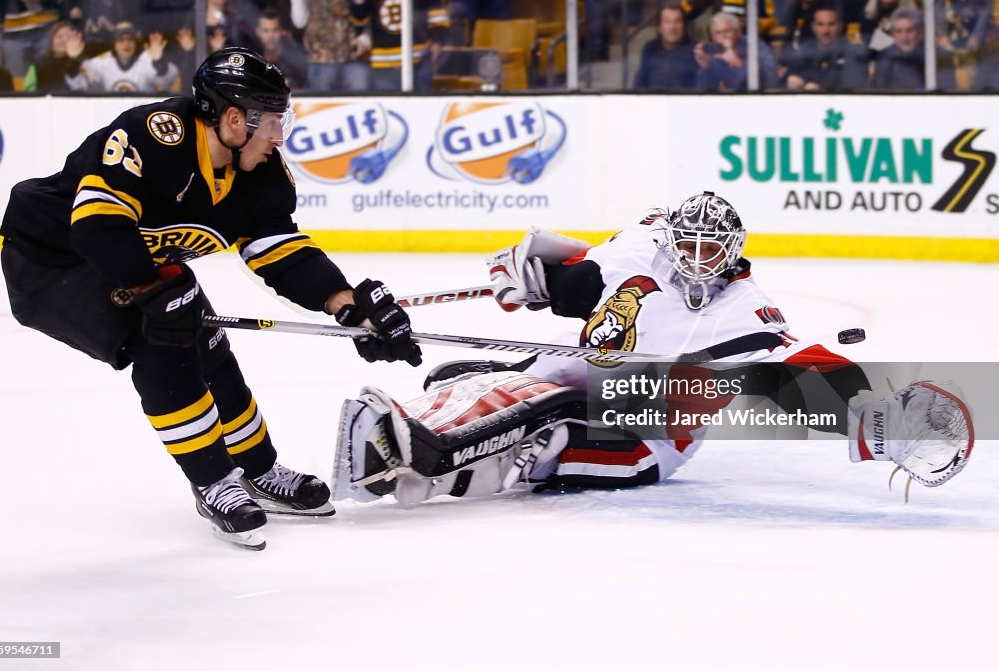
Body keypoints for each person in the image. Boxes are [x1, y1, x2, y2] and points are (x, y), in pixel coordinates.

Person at [0, 45, 422, 550]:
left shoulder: (259, 174)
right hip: (53, 263)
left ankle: (256, 470)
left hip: (144, 265)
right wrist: (155, 290)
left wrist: (346, 303)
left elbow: (279, 250)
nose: (278, 137)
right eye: (272, 122)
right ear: (235, 118)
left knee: (210, 346)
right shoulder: (152, 137)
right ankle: (212, 479)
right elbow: (97, 228)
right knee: (161, 340)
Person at [332, 193, 973, 507]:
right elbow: (575, 269)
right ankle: (430, 421)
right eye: (686, 244)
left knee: (571, 440)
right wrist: (526, 275)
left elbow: (797, 361)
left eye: (709, 250)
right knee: (506, 383)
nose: (694, 260)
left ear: (733, 253)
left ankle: (417, 465)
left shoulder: (745, 309)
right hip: (591, 365)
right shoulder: (642, 247)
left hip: (653, 423)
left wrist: (881, 415)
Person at [68, 21, 177, 92]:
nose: (126, 44)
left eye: (130, 39)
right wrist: (73, 60)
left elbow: (166, 82)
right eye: (121, 40)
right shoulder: (102, 62)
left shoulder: (148, 58)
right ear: (113, 44)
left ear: (135, 42)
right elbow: (79, 85)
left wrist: (159, 61)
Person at [781, 5, 868, 90]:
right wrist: (788, 82)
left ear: (840, 27)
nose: (825, 30)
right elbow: (780, 84)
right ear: (813, 27)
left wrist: (821, 90)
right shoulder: (803, 52)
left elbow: (856, 89)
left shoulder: (853, 53)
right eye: (820, 24)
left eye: (831, 24)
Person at [694, 11, 779, 92]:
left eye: (727, 31)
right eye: (718, 33)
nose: (723, 36)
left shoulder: (755, 46)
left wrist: (734, 60)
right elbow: (703, 91)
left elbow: (769, 81)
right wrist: (705, 67)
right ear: (712, 37)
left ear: (738, 32)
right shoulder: (712, 52)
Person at [633, 5, 698, 90]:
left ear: (684, 26)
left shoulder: (696, 50)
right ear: (659, 28)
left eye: (677, 21)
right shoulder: (650, 49)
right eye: (667, 22)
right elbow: (640, 83)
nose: (672, 27)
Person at [251, 9, 309, 90]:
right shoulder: (253, 62)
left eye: (275, 30)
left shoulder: (295, 63)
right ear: (257, 32)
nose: (271, 36)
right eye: (266, 31)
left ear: (282, 31)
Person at [869, 6, 923, 89]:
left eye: (909, 31)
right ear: (893, 35)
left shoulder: (935, 56)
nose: (904, 37)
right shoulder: (885, 58)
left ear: (920, 32)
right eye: (899, 31)